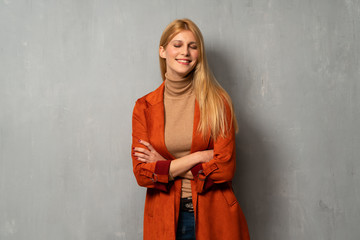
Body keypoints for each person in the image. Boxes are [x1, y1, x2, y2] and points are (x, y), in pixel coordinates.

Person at [131, 18, 250, 240]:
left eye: (193, 46)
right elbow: (142, 174)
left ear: (199, 54)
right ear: (163, 51)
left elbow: (224, 170)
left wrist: (164, 166)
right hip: (165, 218)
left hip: (214, 216)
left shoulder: (217, 102)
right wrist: (199, 157)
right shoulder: (144, 107)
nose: (185, 52)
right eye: (177, 45)